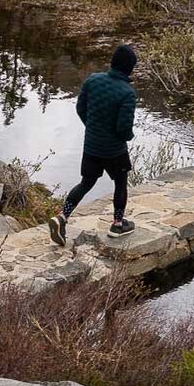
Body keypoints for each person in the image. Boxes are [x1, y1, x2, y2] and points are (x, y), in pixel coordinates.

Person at [49, 44, 137, 246]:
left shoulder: (93, 80)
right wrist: (129, 136)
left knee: (86, 183)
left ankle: (62, 216)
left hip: (91, 146)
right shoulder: (127, 93)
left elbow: (81, 108)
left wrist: (93, 127)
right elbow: (123, 129)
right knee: (120, 182)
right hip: (114, 150)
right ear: (129, 68)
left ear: (112, 62)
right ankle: (117, 223)